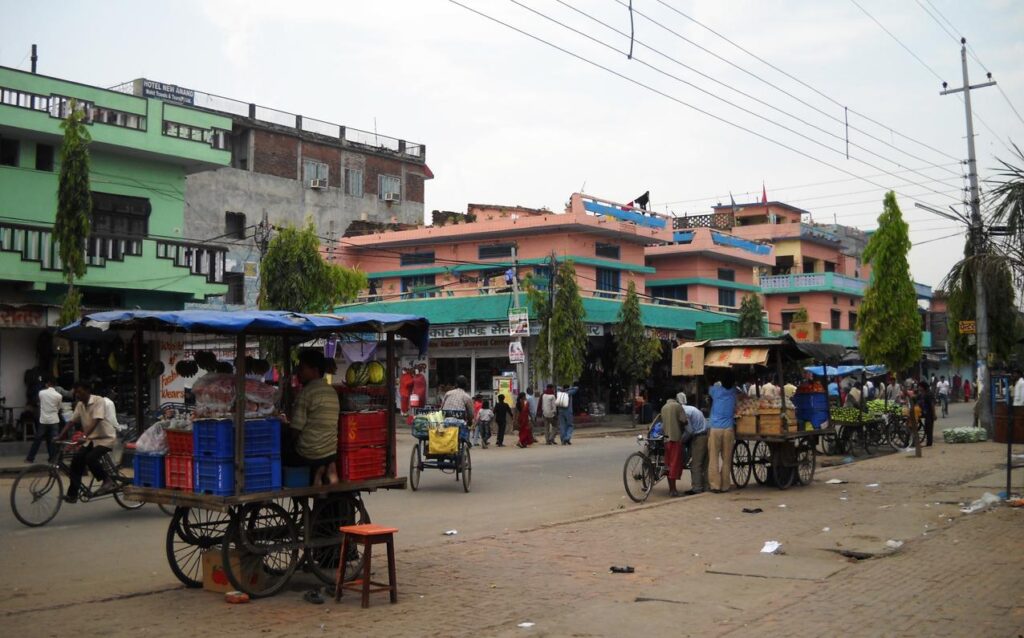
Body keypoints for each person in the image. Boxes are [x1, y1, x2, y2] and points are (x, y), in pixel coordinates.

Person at [282, 350, 341, 486]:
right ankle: (321, 475)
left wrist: (287, 438)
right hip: (330, 451)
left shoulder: (306, 393)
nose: (298, 373)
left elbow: (295, 430)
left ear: (315, 370)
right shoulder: (331, 391)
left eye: (302, 369)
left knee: (282, 452)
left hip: (309, 453)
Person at [61, 380, 117, 502]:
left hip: (105, 438)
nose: (77, 395)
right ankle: (72, 495)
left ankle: (107, 480)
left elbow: (96, 420)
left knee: (90, 458)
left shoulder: (99, 401)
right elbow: (72, 421)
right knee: (76, 461)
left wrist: (84, 436)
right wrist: (60, 435)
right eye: (76, 393)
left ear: (87, 391)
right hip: (90, 439)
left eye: (80, 392)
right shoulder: (80, 405)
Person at [707, 377, 741, 493]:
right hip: (728, 429)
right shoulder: (733, 392)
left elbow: (708, 388)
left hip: (715, 428)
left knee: (713, 457)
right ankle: (725, 485)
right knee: (727, 459)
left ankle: (715, 485)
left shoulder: (715, 390)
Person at [26, 377, 65, 464]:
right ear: (55, 385)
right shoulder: (59, 396)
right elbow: (58, 408)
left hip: (43, 420)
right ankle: (52, 459)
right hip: (54, 420)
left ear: (47, 384)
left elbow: (38, 402)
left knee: (37, 439)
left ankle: (30, 458)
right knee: (53, 440)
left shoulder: (41, 393)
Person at [659, 395, 689, 497]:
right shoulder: (677, 406)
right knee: (674, 464)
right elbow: (684, 421)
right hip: (676, 438)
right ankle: (673, 490)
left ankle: (671, 489)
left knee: (668, 465)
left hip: (666, 439)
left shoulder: (663, 407)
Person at [680, 396, 709, 495]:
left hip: (699, 437)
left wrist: (681, 440)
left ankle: (696, 488)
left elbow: (690, 431)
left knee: (695, 464)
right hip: (706, 434)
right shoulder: (691, 408)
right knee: (705, 463)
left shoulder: (684, 412)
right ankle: (706, 486)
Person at [916, 380, 936, 447]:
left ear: (923, 387)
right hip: (922, 412)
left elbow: (932, 404)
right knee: (924, 427)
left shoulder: (929, 394)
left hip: (929, 413)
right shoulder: (920, 394)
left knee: (929, 428)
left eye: (919, 387)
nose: (918, 388)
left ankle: (929, 443)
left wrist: (934, 414)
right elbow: (915, 398)